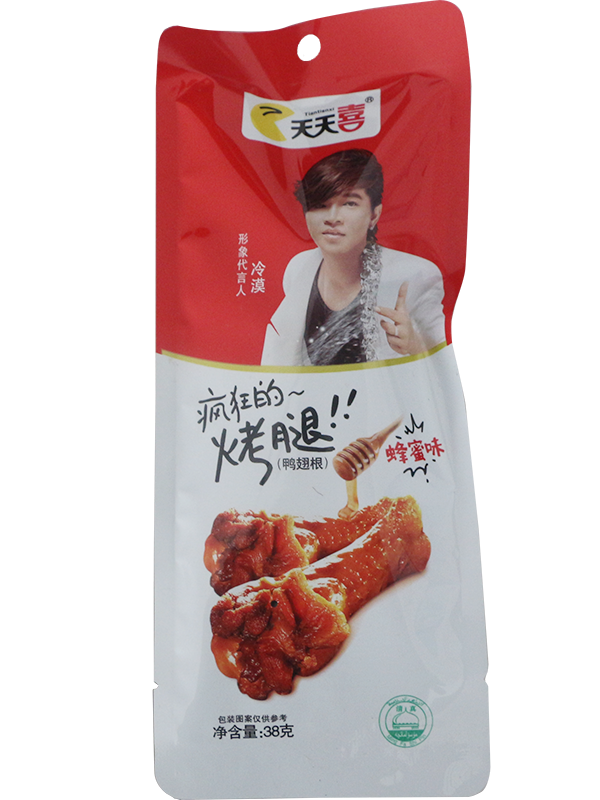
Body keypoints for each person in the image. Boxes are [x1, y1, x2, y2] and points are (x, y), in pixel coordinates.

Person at [261, 149, 446, 366]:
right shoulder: (299, 267)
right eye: (320, 204)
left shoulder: (416, 276)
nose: (332, 218)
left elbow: (446, 367)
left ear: (374, 215)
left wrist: (416, 347)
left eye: (349, 203)